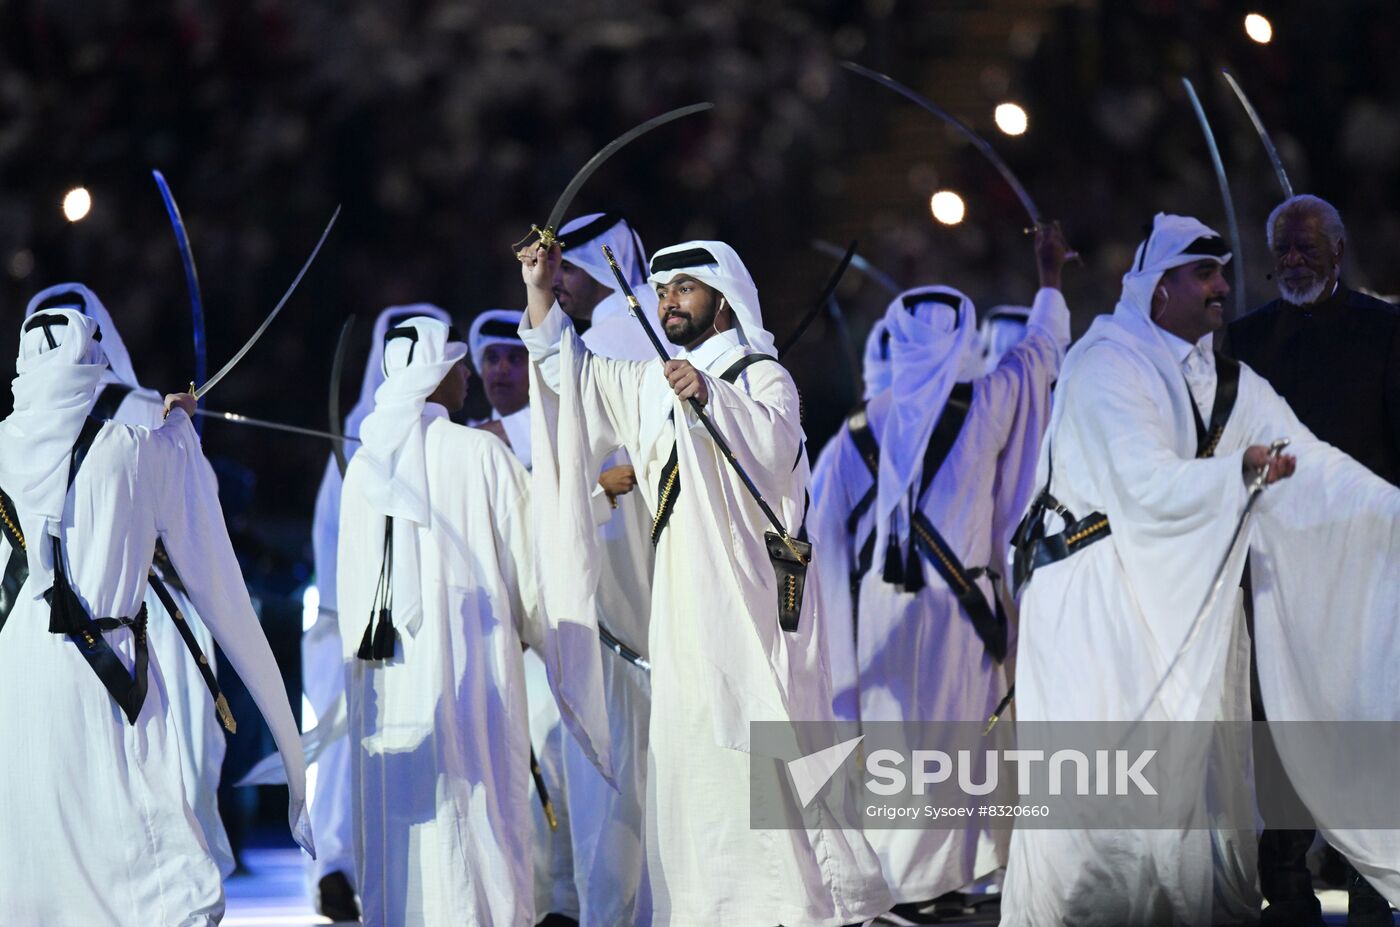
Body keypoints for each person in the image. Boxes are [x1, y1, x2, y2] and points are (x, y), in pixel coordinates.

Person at [1001, 213, 1400, 925]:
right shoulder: (1107, 361)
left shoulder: (1222, 379)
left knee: (1176, 801)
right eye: (1204, 274)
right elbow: (1142, 482)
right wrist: (1233, 478)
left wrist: (1391, 511)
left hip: (1168, 597)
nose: (1223, 286)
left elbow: (1308, 461)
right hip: (1092, 599)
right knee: (1102, 802)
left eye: (1222, 272)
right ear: (1159, 291)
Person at [517, 237, 892, 925]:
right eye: (661, 291)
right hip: (682, 604)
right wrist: (541, 292)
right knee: (695, 752)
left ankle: (801, 903)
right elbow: (570, 371)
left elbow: (778, 452)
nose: (667, 302)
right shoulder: (651, 381)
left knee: (769, 745)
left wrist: (711, 395)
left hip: (751, 602)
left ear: (722, 298)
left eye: (684, 289)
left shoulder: (760, 374)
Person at [0, 308, 311, 925]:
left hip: (18, 679)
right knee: (155, 862)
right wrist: (182, 423)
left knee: (41, 849)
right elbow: (186, 493)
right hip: (106, 677)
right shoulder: (129, 451)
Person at [808, 225, 1070, 919]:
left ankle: (898, 878)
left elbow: (820, 538)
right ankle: (934, 881)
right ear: (960, 336)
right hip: (960, 612)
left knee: (896, 744)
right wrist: (1048, 282)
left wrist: (832, 629)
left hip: (880, 614)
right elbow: (1039, 354)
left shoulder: (855, 431)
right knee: (951, 742)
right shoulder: (985, 403)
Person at [1228, 194, 1400, 926]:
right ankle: (1286, 883)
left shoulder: (1387, 331)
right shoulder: (1242, 342)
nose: (1295, 260)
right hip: (1271, 564)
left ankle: (1368, 878)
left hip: (1364, 558)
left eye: (1308, 247)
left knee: (1363, 715)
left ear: (1337, 248)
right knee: (1276, 722)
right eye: (1285, 249)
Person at [338, 315, 542, 926]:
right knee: (479, 806)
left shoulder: (362, 467)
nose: (467, 378)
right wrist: (534, 631)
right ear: (436, 376)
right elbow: (532, 570)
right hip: (472, 663)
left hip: (386, 674)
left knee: (409, 818)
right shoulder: (482, 452)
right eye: (458, 366)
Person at [306, 302, 452, 920]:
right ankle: (336, 870)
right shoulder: (355, 451)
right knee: (347, 754)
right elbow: (329, 541)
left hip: (409, 630)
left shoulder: (443, 446)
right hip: (356, 625)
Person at [549, 213, 663, 926]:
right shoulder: (595, 346)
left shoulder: (610, 348)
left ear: (608, 264)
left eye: (571, 267)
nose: (559, 282)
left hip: (642, 594)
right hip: (627, 602)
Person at [468, 307, 581, 925]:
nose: (503, 370)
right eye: (491, 358)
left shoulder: (558, 430)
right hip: (497, 632)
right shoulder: (468, 439)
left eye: (515, 358)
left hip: (559, 626)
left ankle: (565, 903)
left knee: (561, 767)